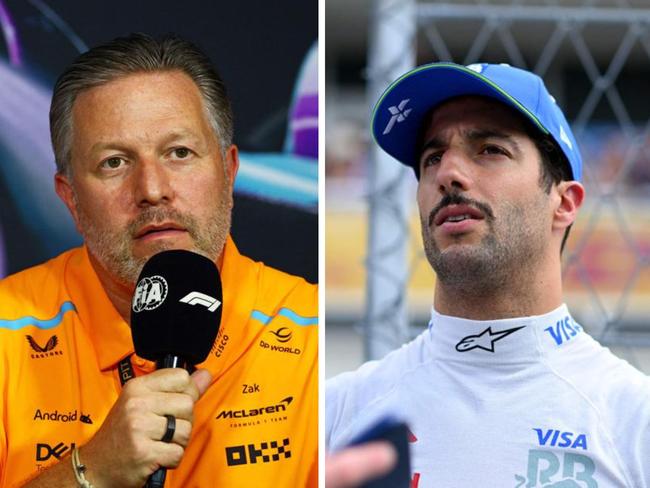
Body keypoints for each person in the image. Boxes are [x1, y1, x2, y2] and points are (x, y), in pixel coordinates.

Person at [0, 33, 317, 487]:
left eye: (179, 153)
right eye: (114, 162)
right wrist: (90, 471)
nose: (152, 188)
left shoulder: (314, 337)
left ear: (229, 172)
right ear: (70, 197)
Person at [326, 62, 650, 487]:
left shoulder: (633, 419)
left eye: (490, 150)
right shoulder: (336, 412)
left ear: (565, 202)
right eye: (432, 157)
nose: (448, 174)